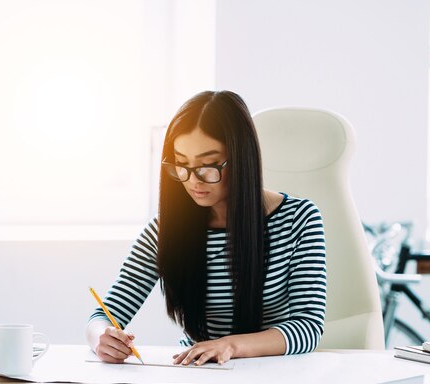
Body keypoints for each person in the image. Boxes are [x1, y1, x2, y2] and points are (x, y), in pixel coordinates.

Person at [86, 90, 327, 366]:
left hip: (275, 372)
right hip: (198, 374)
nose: (193, 181)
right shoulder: (164, 229)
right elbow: (103, 315)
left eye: (208, 165)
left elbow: (308, 328)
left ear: (241, 158)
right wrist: (101, 338)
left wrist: (230, 346)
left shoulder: (299, 219)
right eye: (182, 164)